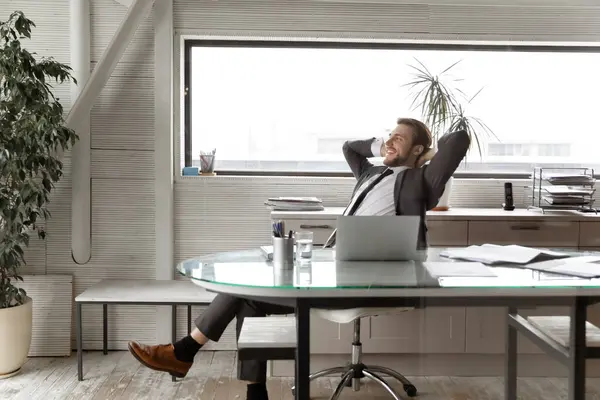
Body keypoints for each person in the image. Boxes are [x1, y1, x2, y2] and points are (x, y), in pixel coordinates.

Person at [127, 117, 470, 400]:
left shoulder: (420, 181)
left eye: (400, 138)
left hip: (376, 280)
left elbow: (458, 140)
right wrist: (383, 141)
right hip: (335, 267)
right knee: (252, 300)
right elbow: (349, 147)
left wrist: (423, 154)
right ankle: (252, 391)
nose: (391, 142)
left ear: (419, 150)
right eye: (390, 135)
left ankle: (184, 351)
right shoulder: (370, 173)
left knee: (249, 289)